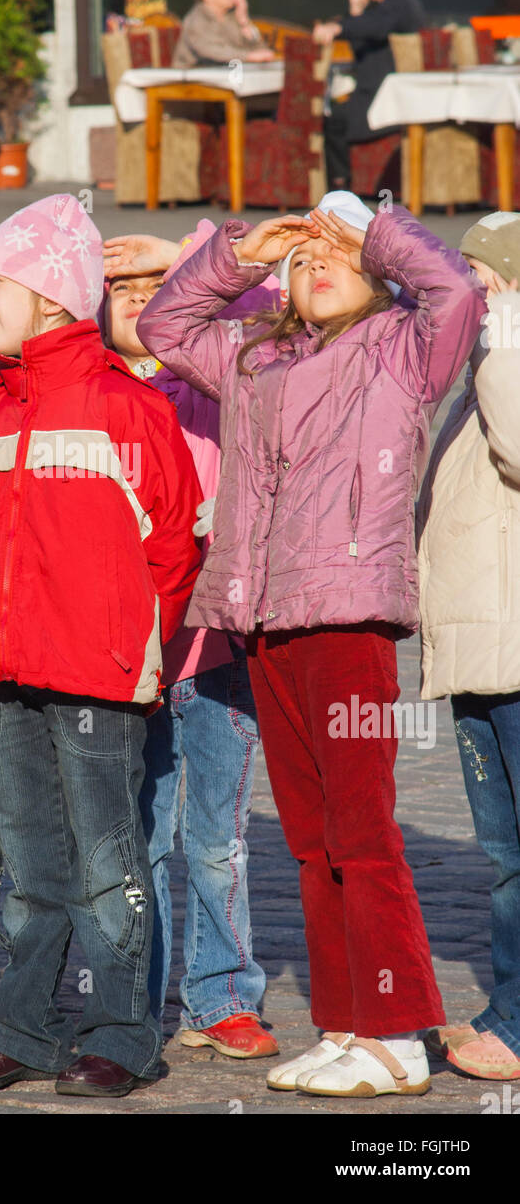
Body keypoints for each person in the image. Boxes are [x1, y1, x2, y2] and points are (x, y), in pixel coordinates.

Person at [137, 190, 487, 1097]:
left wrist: (362, 222)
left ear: (373, 268)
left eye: (335, 254)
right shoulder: (256, 355)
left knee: (362, 834)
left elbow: (453, 290)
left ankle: (399, 1030)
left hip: (348, 620)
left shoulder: (403, 349)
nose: (316, 264)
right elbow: (163, 322)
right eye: (304, 259)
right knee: (311, 840)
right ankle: (345, 1023)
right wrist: (245, 248)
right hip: (260, 616)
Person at [0, 194, 203, 1099]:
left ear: (57, 297)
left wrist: (136, 653)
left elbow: (174, 545)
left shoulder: (127, 410)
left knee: (109, 862)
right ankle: (23, 1028)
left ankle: (120, 1033)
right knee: (25, 867)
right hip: (2, 681)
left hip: (98, 682)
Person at [102, 223, 280, 1058]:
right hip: (122, 648)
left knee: (217, 835)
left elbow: (261, 294)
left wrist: (184, 259)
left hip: (214, 641)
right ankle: (135, 997)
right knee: (136, 835)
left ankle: (221, 992)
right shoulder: (93, 391)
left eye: (155, 283)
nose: (141, 298)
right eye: (122, 286)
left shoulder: (218, 370)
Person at [417, 212, 520, 1081]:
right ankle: (510, 1007)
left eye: (486, 281)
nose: (474, 296)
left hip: (515, 649)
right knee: (504, 857)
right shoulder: (489, 367)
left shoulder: (511, 365)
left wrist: (508, 348)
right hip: (484, 650)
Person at [314, 0, 426, 188]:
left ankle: (339, 188)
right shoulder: (388, 6)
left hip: (387, 99)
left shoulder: (399, 4)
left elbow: (374, 26)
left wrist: (339, 27)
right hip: (378, 92)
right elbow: (363, 42)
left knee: (333, 120)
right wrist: (355, 13)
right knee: (334, 116)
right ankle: (342, 186)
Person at [173, 0, 276, 69]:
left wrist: (244, 21)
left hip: (229, 76)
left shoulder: (232, 17)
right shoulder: (196, 21)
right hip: (192, 80)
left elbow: (261, 50)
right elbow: (214, 51)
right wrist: (249, 56)